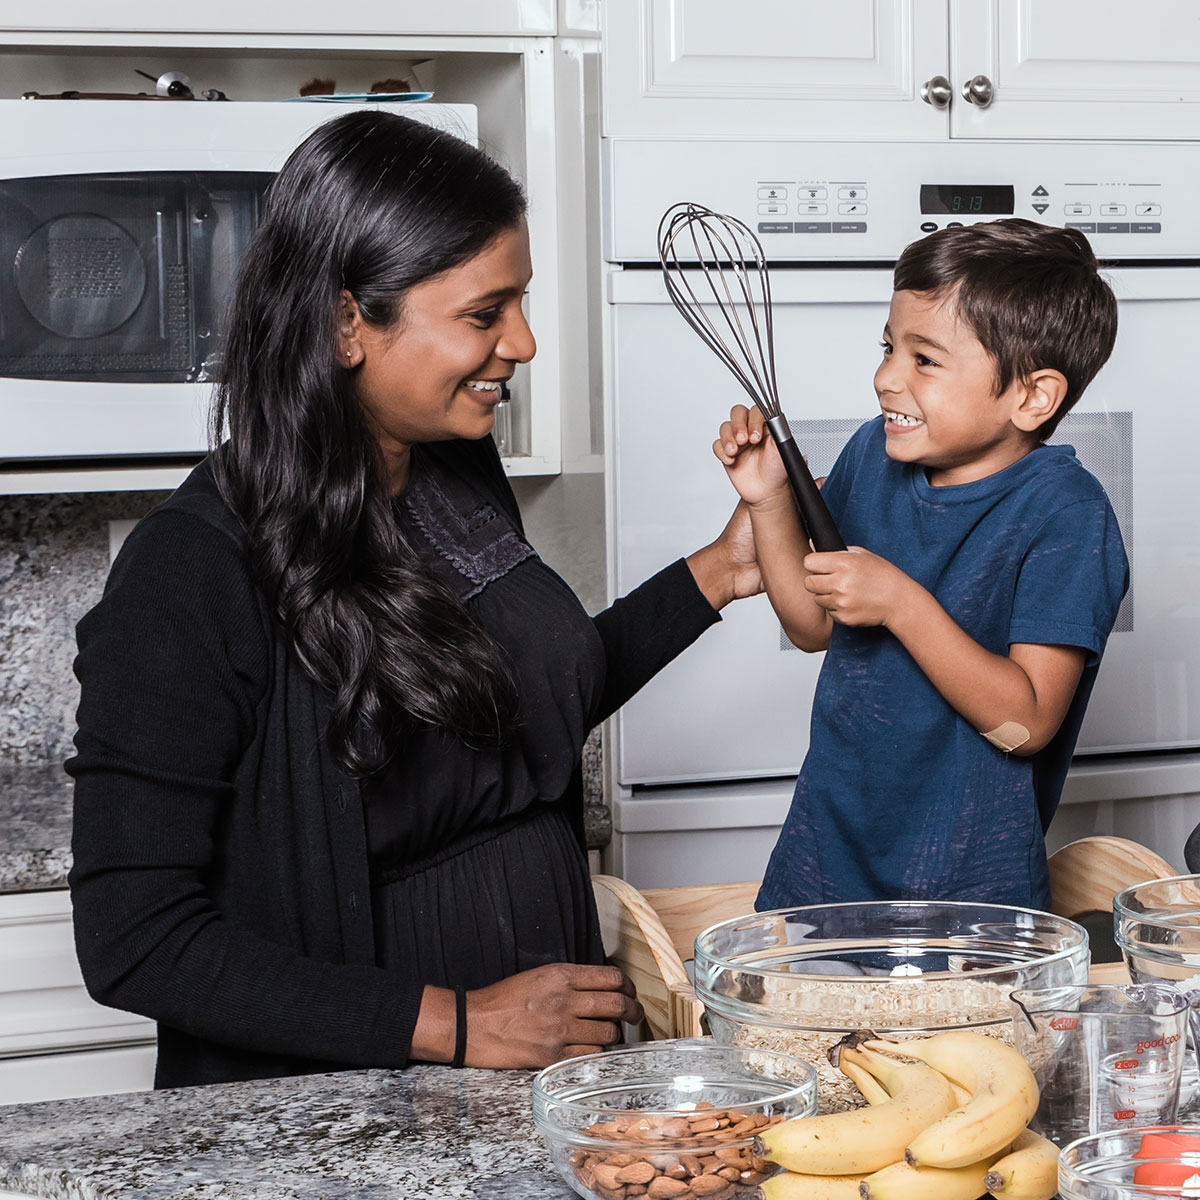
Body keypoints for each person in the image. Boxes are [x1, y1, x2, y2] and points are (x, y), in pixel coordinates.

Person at [66, 110, 761, 1088]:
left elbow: (505, 717)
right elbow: (134, 938)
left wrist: (718, 573)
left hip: (541, 1070)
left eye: (519, 302)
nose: (521, 341)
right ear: (348, 321)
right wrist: (459, 1024)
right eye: (485, 313)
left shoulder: (454, 471)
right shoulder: (190, 572)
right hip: (344, 1104)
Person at [713, 218, 1128, 911]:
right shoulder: (872, 454)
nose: (884, 379)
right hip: (829, 852)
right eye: (887, 347)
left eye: (924, 360)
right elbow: (814, 624)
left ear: (1033, 397)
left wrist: (901, 605)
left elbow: (1025, 725)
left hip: (968, 888)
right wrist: (769, 502)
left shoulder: (1066, 513)